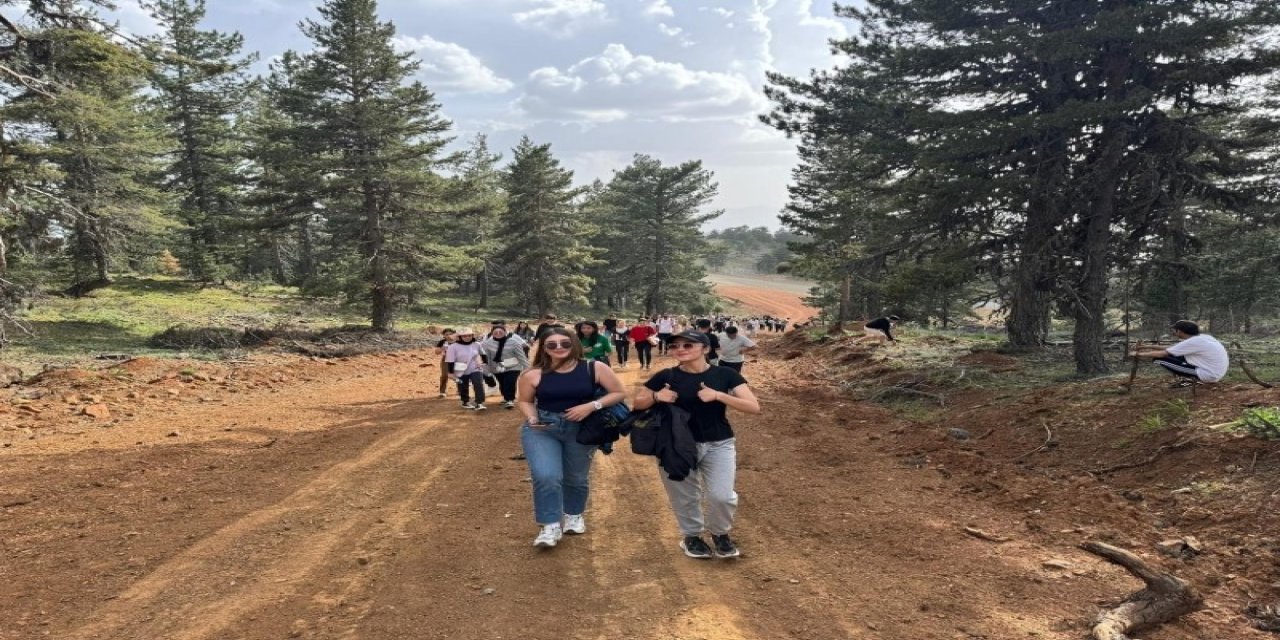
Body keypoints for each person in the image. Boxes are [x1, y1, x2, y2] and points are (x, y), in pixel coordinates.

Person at [633, 330, 761, 559]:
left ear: (706, 349)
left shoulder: (725, 374)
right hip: (675, 445)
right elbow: (638, 403)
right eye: (674, 346)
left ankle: (720, 534)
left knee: (722, 496)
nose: (680, 349)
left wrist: (719, 396)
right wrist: (655, 397)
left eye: (688, 345)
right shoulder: (665, 376)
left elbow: (753, 407)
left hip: (718, 443)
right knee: (684, 495)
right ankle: (691, 537)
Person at [516, 328, 626, 548]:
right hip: (543, 427)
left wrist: (591, 406)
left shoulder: (593, 367)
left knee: (576, 477)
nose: (559, 348)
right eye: (552, 344)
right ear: (544, 348)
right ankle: (549, 526)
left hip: (582, 428)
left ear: (574, 344)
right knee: (546, 475)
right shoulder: (532, 374)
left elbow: (618, 392)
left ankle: (574, 515)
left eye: (565, 343)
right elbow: (525, 400)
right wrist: (531, 417)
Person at [1133, 320, 1230, 387]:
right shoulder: (1202, 338)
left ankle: (1194, 377)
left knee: (1159, 359)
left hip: (1209, 375)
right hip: (1215, 371)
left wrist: (1138, 354)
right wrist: (1145, 347)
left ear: (1179, 331)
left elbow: (1163, 354)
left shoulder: (1194, 341)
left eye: (1175, 330)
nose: (1174, 332)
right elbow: (1173, 349)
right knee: (1173, 354)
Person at [481, 324, 530, 409]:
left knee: (510, 382)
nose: (498, 333)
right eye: (496, 332)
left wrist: (527, 368)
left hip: (513, 366)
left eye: (501, 331)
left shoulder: (513, 342)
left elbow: (521, 355)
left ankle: (510, 400)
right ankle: (506, 397)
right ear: (492, 333)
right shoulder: (487, 344)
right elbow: (486, 358)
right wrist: (486, 370)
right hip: (497, 367)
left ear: (505, 332)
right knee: (502, 383)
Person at [446, 327, 487, 410]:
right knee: (463, 386)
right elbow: (450, 361)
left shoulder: (477, 344)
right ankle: (465, 402)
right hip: (460, 370)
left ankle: (479, 403)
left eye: (469, 335)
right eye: (464, 336)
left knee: (478, 383)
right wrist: (451, 373)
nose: (467, 337)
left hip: (475, 368)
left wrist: (484, 363)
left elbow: (483, 353)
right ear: (459, 337)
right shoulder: (453, 347)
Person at [435, 328, 456, 399]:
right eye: (446, 334)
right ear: (444, 336)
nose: (448, 336)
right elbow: (437, 352)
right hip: (446, 360)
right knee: (444, 375)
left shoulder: (458, 341)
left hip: (457, 360)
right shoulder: (442, 342)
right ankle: (442, 392)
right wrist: (442, 348)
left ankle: (461, 389)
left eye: (450, 334)